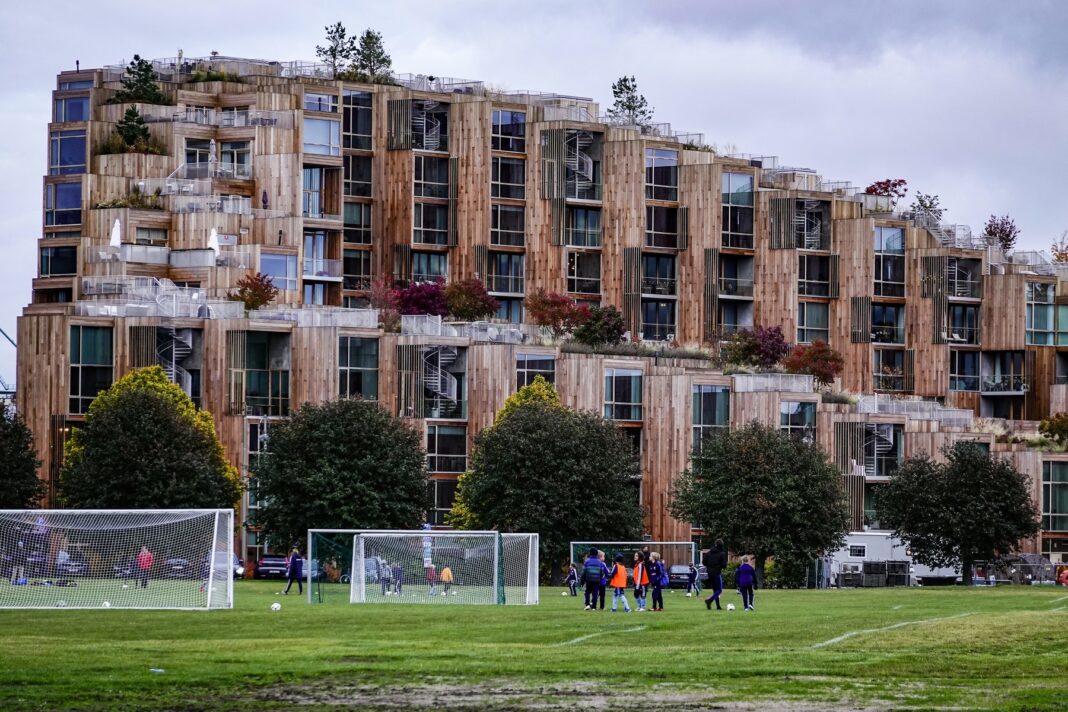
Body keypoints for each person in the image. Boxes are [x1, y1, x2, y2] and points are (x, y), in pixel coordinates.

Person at [704, 540, 728, 611]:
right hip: (717, 573)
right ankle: (709, 600)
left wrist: (709, 566)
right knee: (719, 590)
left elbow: (704, 562)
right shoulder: (721, 554)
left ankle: (718, 606)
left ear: (715, 544)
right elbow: (724, 565)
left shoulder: (709, 553)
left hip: (709, 573)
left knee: (715, 590)